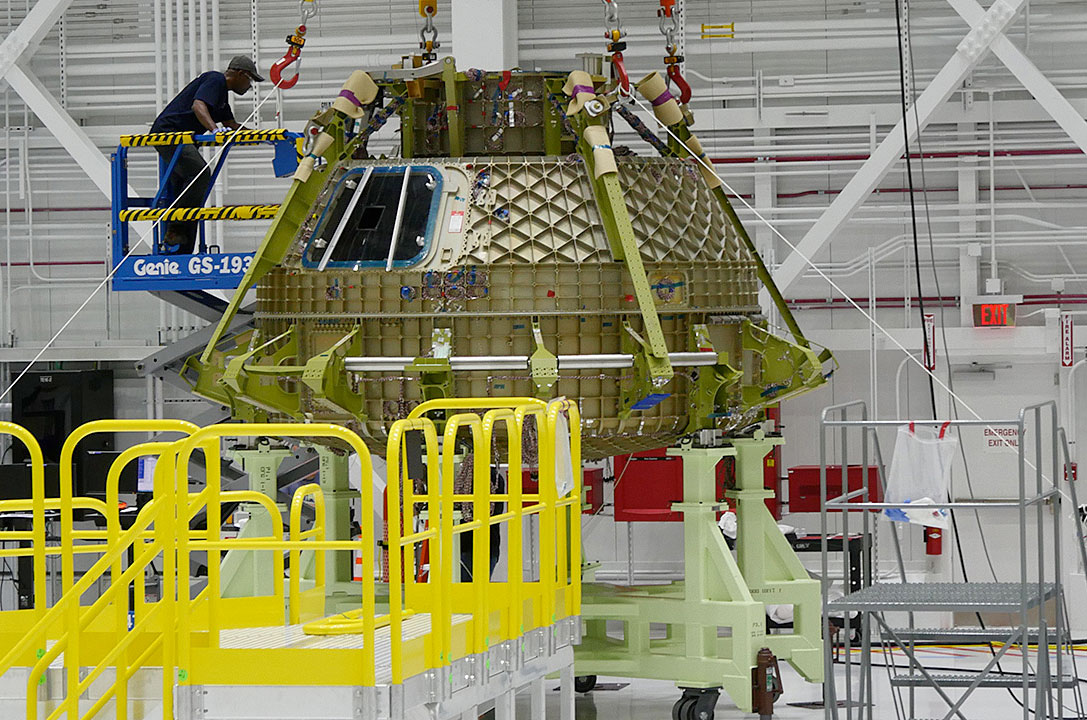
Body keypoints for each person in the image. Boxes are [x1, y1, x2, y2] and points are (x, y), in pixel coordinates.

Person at [149, 55, 263, 254]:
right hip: (169, 134)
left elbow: (232, 126)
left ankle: (180, 250)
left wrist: (262, 136)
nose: (249, 86)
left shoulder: (221, 100)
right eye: (250, 80)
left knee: (189, 191)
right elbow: (198, 106)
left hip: (182, 140)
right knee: (201, 174)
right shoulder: (214, 80)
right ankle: (175, 232)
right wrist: (214, 130)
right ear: (240, 74)